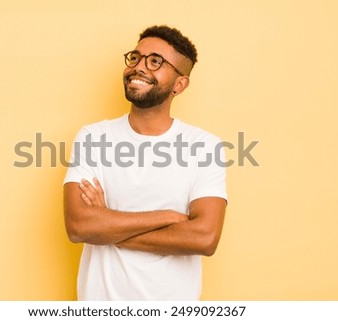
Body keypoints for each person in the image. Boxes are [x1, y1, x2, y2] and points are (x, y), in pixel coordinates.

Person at [63, 25, 227, 300]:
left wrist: (106, 227)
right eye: (136, 58)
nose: (139, 67)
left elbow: (204, 238)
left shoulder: (204, 146)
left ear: (179, 84)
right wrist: (167, 218)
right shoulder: (93, 137)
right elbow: (79, 226)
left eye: (155, 61)